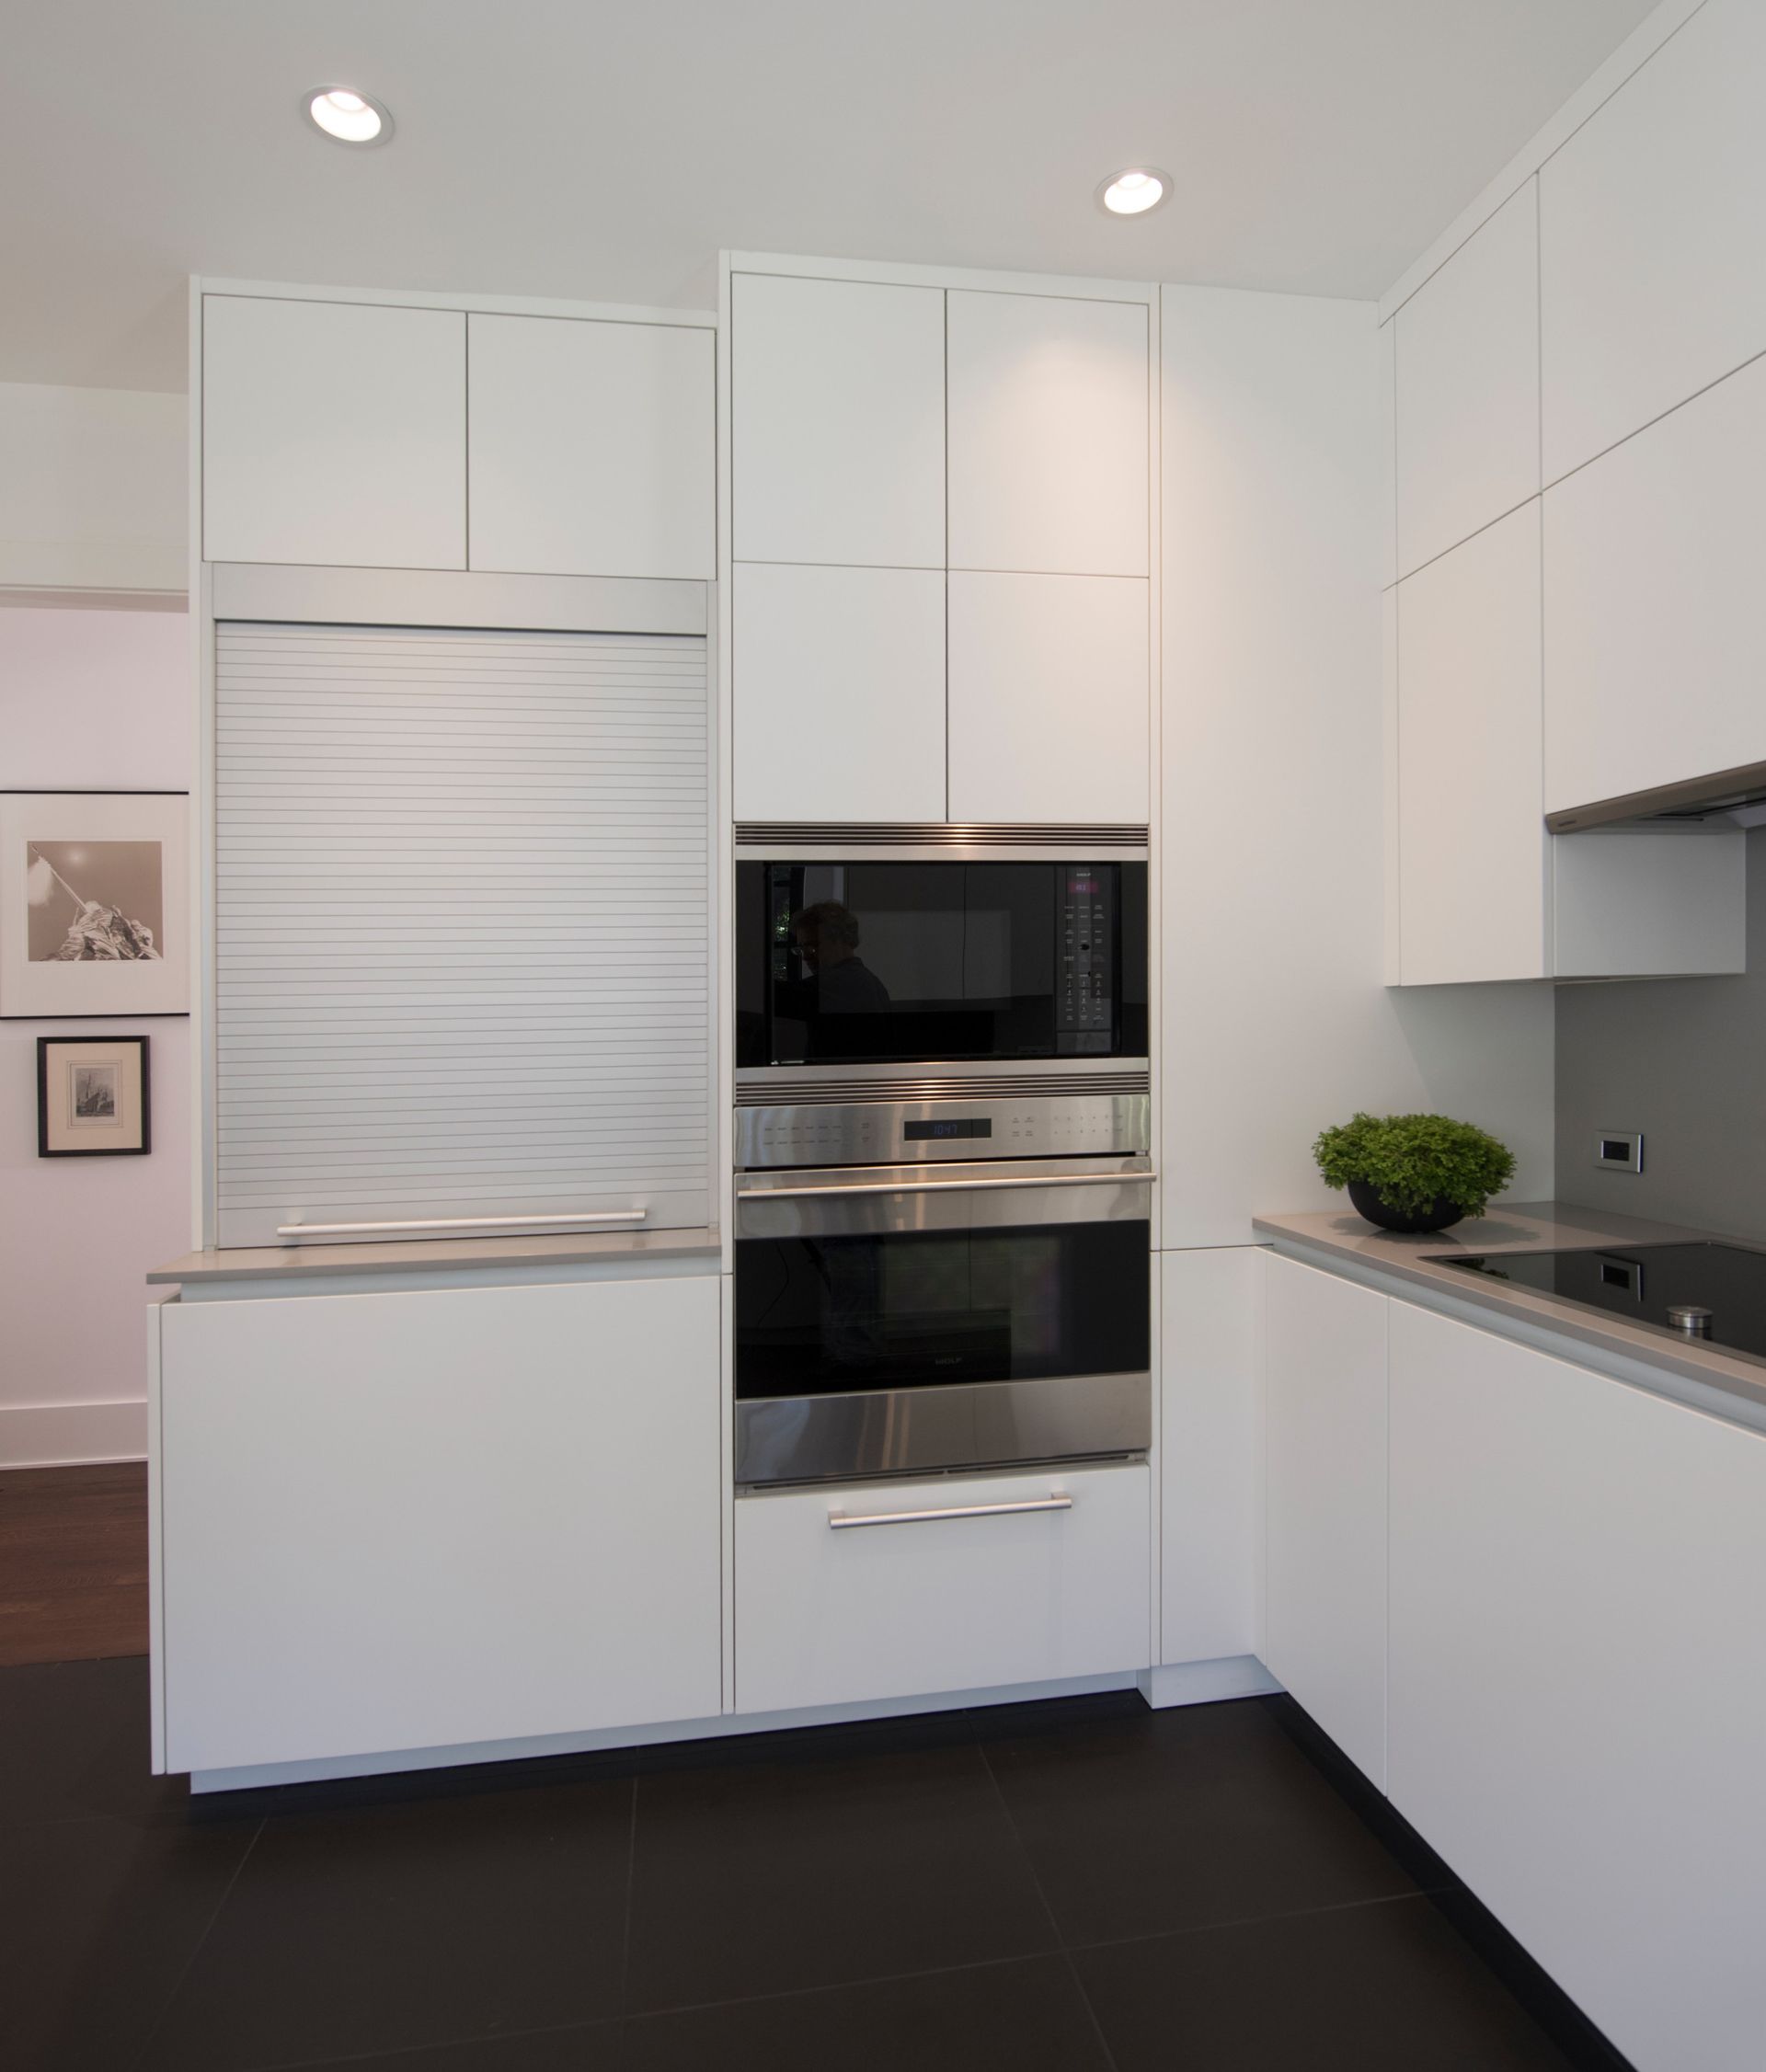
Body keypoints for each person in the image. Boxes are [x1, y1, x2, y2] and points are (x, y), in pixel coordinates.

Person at [790, 900, 890, 1016]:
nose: (805, 957)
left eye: (813, 946)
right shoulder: (874, 983)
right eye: (802, 949)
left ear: (840, 939)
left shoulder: (840, 984)